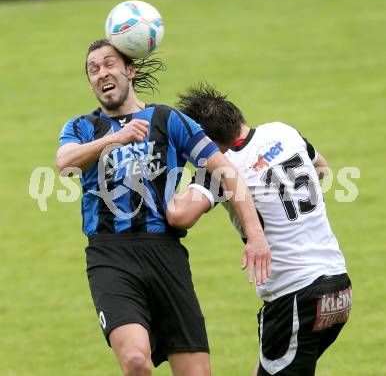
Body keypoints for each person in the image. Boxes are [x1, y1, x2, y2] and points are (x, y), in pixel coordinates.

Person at [56, 40, 270, 376]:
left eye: (109, 64)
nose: (101, 73)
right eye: (93, 69)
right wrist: (113, 139)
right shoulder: (82, 128)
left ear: (130, 70)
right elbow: (64, 163)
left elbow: (227, 172)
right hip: (109, 256)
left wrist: (255, 235)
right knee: (136, 362)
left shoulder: (169, 120)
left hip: (165, 255)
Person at [166, 83, 352, 376]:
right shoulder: (283, 132)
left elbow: (180, 215)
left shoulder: (222, 166)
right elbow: (323, 169)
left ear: (208, 143)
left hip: (295, 297)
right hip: (338, 288)